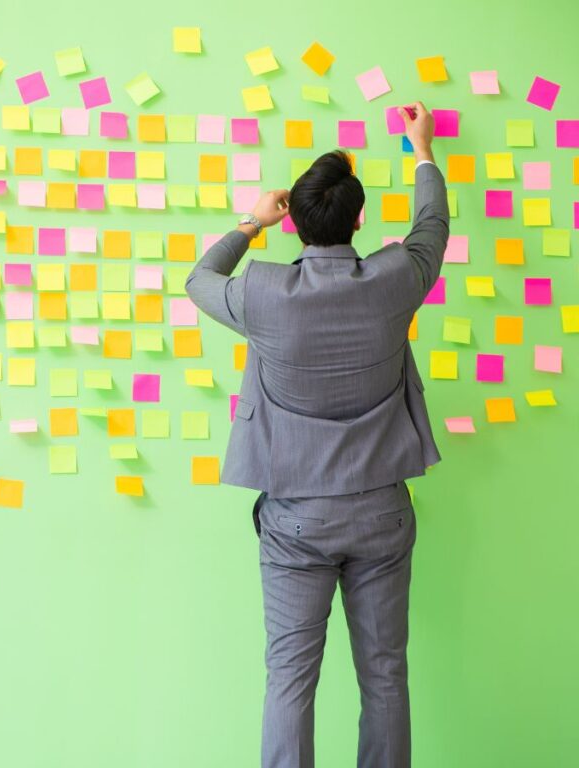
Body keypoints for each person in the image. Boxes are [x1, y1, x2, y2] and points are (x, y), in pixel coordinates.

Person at [184, 102, 449, 768]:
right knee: (385, 674)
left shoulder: (264, 294)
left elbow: (198, 280)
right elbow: (432, 229)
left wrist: (252, 222)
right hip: (381, 515)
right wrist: (422, 151)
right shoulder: (395, 279)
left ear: (294, 221)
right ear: (359, 220)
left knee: (290, 679)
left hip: (296, 518)